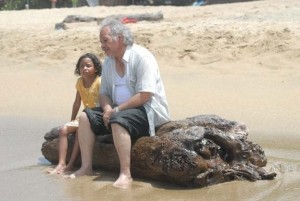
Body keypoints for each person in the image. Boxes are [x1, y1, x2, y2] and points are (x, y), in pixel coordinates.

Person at [69, 18, 171, 189]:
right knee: (86, 117)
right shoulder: (108, 62)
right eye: (101, 42)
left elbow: (145, 95)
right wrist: (108, 108)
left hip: (146, 110)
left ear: (120, 38)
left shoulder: (142, 57)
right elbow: (104, 93)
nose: (102, 46)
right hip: (118, 110)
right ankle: (86, 167)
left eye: (105, 41)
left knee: (118, 120)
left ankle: (126, 174)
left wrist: (116, 110)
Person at [48, 53, 102, 174]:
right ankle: (61, 163)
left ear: (96, 68)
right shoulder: (79, 82)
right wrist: (72, 120)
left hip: (95, 118)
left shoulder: (99, 82)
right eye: (82, 66)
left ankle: (71, 165)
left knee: (79, 133)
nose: (85, 69)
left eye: (88, 66)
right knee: (63, 130)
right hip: (83, 116)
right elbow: (77, 103)